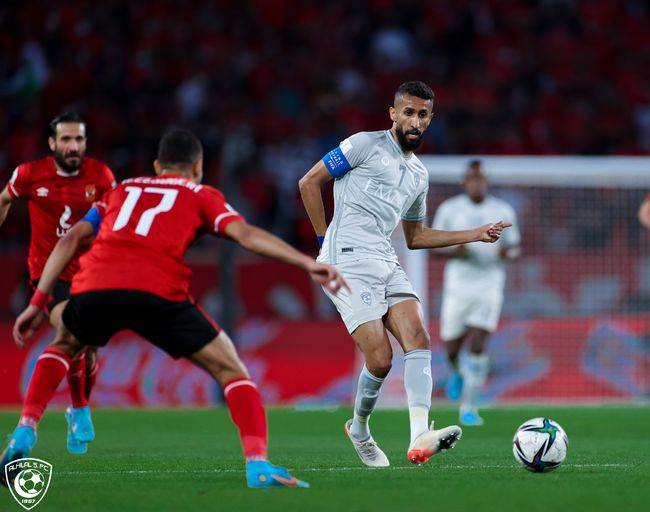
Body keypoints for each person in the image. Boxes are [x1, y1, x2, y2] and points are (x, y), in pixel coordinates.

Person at [2, 128, 348, 489]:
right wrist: (305, 262)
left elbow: (72, 238)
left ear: (157, 166)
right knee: (232, 370)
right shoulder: (201, 193)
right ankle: (258, 465)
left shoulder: (121, 189)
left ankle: (26, 428)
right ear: (197, 167)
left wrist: (38, 302)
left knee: (63, 345)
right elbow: (245, 235)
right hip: (157, 289)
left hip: (96, 284)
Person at [299, 81, 510, 467]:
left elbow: (415, 237)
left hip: (386, 259)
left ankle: (418, 437)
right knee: (380, 360)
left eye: (423, 114)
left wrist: (475, 234)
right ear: (393, 113)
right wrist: (323, 244)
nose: (415, 121)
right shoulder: (363, 145)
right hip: (345, 261)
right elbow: (309, 182)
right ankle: (359, 428)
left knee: (419, 338)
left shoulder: (418, 175)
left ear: (430, 119)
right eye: (408, 112)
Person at [0, 112, 115, 454]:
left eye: (79, 139)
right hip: (50, 276)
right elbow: (4, 199)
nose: (73, 146)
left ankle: (78, 407)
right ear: (52, 143)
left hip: (92, 274)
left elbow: (115, 219)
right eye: (66, 139)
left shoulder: (102, 176)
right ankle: (37, 423)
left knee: (88, 352)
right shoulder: (29, 174)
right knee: (69, 329)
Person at [432, 160, 521, 426]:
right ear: (464, 182)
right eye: (472, 179)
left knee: (478, 343)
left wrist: (507, 253)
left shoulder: (502, 210)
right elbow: (433, 246)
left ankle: (469, 406)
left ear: (486, 181)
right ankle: (458, 372)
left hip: (489, 284)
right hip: (458, 286)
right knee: (451, 348)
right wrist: (454, 250)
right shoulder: (449, 210)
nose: (476, 183)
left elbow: (515, 248)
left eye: (480, 179)